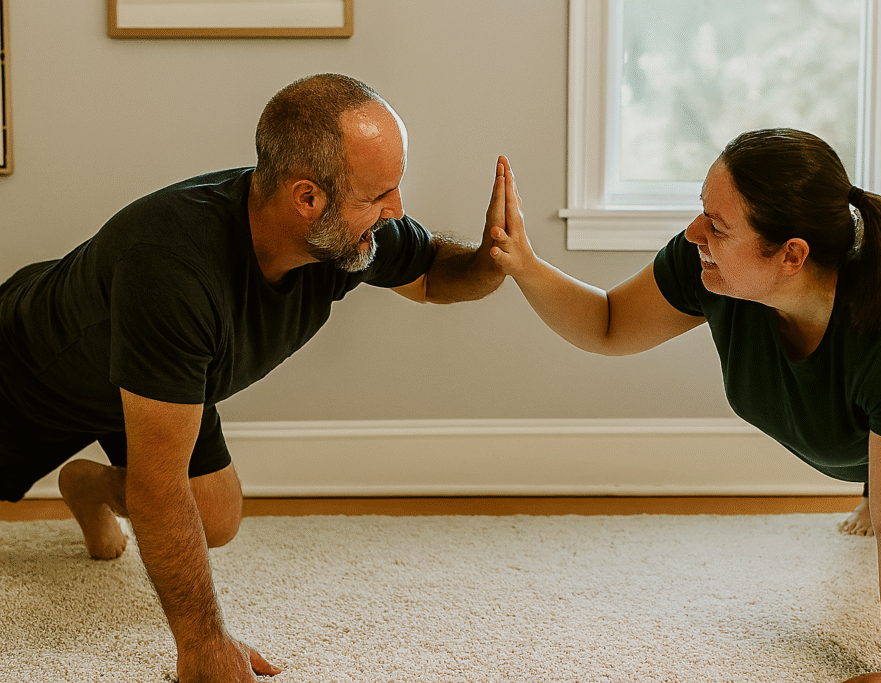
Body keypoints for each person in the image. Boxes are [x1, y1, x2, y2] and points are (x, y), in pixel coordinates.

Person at [0, 74, 509, 682]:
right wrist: (204, 643)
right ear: (307, 199)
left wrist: (492, 259)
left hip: (156, 377)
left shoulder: (345, 239)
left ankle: (91, 484)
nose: (395, 209)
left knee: (215, 520)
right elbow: (161, 487)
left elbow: (431, 279)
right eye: (378, 194)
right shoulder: (174, 266)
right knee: (162, 491)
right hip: (28, 371)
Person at [488, 129, 881, 683]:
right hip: (874, 424)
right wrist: (524, 264)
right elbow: (608, 323)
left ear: (792, 254)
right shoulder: (708, 269)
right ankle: (875, 479)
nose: (695, 232)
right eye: (701, 211)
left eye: (717, 226)